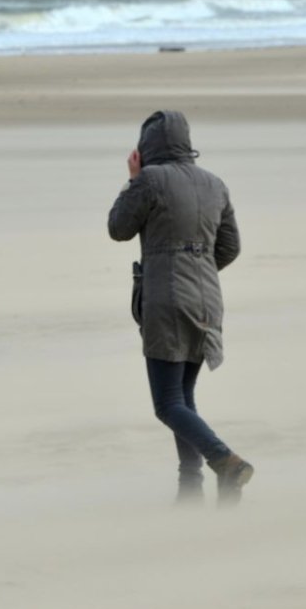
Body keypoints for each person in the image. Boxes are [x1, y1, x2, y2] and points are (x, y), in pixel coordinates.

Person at [107, 111, 254, 505]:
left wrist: (133, 181)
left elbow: (118, 228)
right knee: (183, 399)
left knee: (167, 403)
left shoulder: (150, 180)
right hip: (207, 299)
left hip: (166, 301)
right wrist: (198, 269)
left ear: (146, 147)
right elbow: (231, 248)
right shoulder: (215, 184)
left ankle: (225, 461)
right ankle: (190, 488)